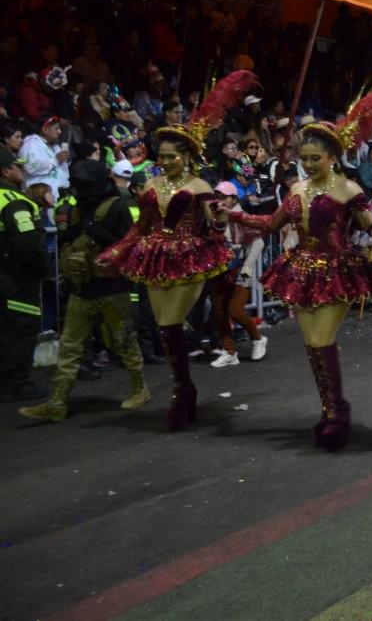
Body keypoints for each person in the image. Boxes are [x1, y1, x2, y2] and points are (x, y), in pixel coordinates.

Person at [230, 83, 372, 451]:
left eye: (316, 157)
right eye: (305, 156)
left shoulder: (348, 189)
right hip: (300, 270)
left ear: (333, 156)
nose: (309, 163)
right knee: (311, 347)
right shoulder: (297, 189)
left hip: (337, 270)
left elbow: (369, 226)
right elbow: (271, 224)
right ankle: (331, 409)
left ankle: (337, 414)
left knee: (321, 341)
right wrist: (236, 214)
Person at [97, 71, 256, 431]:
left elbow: (214, 225)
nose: (165, 161)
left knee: (170, 323)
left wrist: (217, 219)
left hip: (189, 256)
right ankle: (184, 389)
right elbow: (142, 226)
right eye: (162, 156)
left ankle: (182, 393)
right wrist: (117, 250)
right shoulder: (151, 184)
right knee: (165, 328)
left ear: (185, 157)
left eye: (171, 157)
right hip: (155, 255)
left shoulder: (200, 185)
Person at [18, 160, 149, 421]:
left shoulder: (117, 206)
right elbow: (66, 239)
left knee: (123, 341)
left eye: (83, 185)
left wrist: (93, 229)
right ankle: (57, 402)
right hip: (82, 287)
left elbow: (127, 246)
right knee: (70, 346)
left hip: (112, 286)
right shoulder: (75, 207)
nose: (78, 190)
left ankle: (140, 387)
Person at [0, 147, 48, 402]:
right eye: (17, 166)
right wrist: (40, 270)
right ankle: (18, 383)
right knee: (20, 328)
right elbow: (28, 244)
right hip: (15, 278)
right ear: (6, 171)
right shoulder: (13, 200)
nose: (22, 170)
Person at [207, 182, 267, 368]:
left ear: (234, 198)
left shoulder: (242, 217)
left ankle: (257, 339)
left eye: (224, 196)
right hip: (218, 269)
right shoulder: (212, 216)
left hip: (241, 268)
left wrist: (246, 270)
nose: (220, 200)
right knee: (219, 311)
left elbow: (258, 244)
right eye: (217, 196)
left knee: (235, 309)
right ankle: (229, 351)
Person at [19, 113, 70, 203]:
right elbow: (31, 167)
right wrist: (56, 160)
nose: (60, 132)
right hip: (41, 199)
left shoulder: (54, 146)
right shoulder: (31, 145)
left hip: (59, 196)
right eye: (56, 129)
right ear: (45, 129)